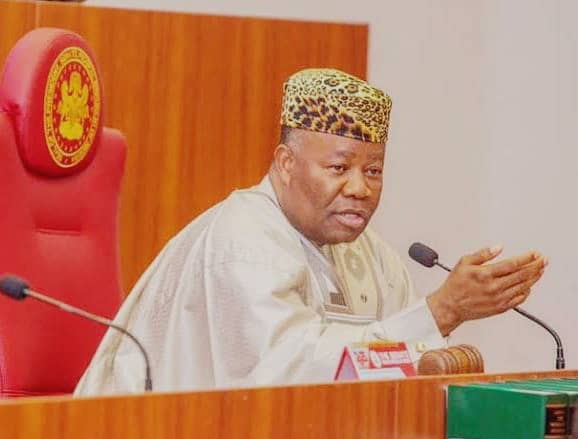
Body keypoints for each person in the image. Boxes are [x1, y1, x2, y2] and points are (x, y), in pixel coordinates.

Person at [74, 68, 547, 395]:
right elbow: (286, 378)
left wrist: (447, 319)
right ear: (285, 164)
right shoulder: (244, 242)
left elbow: (402, 369)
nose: (360, 188)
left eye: (374, 171)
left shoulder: (371, 256)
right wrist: (442, 309)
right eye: (339, 167)